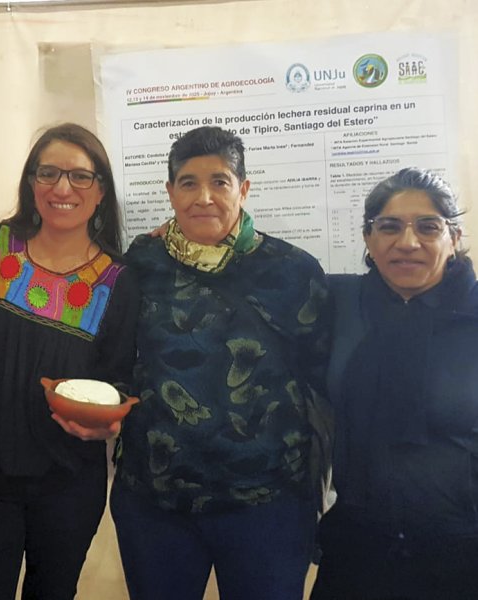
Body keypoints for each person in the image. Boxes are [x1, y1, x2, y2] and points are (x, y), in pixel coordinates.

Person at [111, 126, 330, 600]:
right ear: (170, 192)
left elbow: (323, 374)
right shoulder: (139, 264)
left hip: (268, 504)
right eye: (188, 182)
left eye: (220, 181)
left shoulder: (293, 271)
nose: (203, 197)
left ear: (244, 188)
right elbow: (115, 356)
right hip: (155, 503)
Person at [0, 123, 139, 600]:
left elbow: (117, 377)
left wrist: (108, 425)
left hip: (67, 481)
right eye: (48, 172)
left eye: (79, 177)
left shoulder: (118, 281)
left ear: (100, 192)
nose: (61, 188)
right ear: (31, 182)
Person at [310, 168, 478, 600]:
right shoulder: (338, 304)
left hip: (462, 552)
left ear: (454, 237)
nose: (407, 242)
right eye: (389, 227)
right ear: (368, 239)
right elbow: (260, 281)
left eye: (428, 226)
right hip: (358, 547)